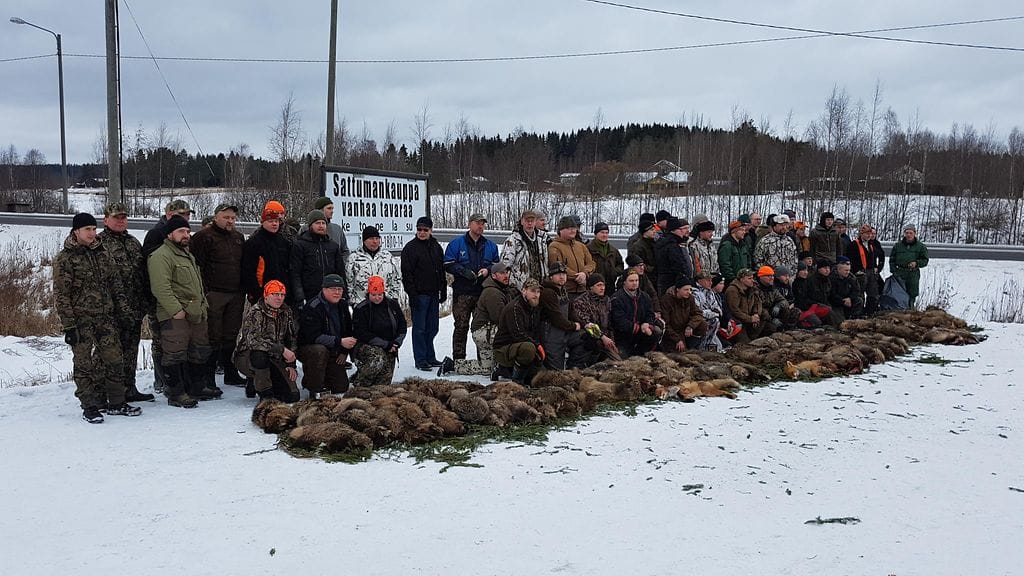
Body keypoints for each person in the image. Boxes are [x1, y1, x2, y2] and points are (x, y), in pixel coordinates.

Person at [54, 213, 140, 423]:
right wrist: (69, 326)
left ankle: (117, 402)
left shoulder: (103, 253)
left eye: (93, 229)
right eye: (87, 230)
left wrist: (124, 312)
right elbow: (61, 295)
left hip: (106, 318)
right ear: (76, 231)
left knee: (114, 359)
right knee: (84, 365)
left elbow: (115, 286)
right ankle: (90, 406)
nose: (92, 234)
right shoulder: (65, 259)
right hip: (81, 321)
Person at [148, 215, 221, 408]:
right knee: (174, 354)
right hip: (175, 316)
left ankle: (196, 387)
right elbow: (160, 287)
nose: (186, 235)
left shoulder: (186, 254)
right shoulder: (161, 256)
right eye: (181, 231)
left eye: (188, 231)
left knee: (198, 352)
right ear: (170, 234)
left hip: (196, 314)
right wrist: (176, 310)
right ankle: (176, 393)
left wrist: (202, 305)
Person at [98, 202, 154, 403]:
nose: (121, 220)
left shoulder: (132, 242)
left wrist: (146, 301)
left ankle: (129, 388)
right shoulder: (99, 243)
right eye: (116, 217)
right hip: (111, 310)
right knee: (111, 353)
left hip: (134, 308)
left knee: (131, 350)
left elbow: (142, 273)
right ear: (106, 220)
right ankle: (109, 393)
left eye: (123, 217)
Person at [190, 202, 246, 388]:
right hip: (214, 293)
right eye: (226, 217)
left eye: (233, 218)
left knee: (231, 335)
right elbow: (197, 266)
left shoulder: (238, 237)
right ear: (216, 217)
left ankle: (231, 373)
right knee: (212, 336)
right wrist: (205, 292)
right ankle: (209, 378)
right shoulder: (203, 237)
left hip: (236, 293)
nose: (230, 221)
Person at [142, 199, 194, 393]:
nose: (187, 218)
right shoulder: (157, 234)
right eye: (183, 214)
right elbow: (151, 262)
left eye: (188, 215)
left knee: (178, 340)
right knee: (161, 340)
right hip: (160, 298)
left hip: (181, 297)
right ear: (170, 214)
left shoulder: (184, 235)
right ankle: (161, 379)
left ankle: (180, 379)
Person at [444, 213, 499, 362]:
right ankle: (459, 359)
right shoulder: (456, 244)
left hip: (483, 293)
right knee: (461, 326)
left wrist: (487, 270)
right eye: (477, 223)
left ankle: (484, 359)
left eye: (483, 223)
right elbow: (448, 264)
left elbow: (496, 265)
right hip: (462, 292)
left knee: (481, 327)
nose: (480, 226)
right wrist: (463, 271)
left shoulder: (491, 246)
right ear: (469, 224)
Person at [233, 280, 299, 402]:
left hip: (275, 358)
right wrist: (281, 349)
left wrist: (291, 364)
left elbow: (291, 338)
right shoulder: (256, 312)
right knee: (259, 356)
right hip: (248, 356)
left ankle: (259, 382)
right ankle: (265, 394)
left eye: (282, 295)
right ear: (266, 296)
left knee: (292, 396)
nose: (279, 298)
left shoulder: (287, 312)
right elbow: (253, 341)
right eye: (275, 294)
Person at [297, 274, 356, 398]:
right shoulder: (313, 306)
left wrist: (344, 351)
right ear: (324, 289)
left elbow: (348, 331)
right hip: (311, 349)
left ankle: (324, 377)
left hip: (334, 349)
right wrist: (339, 342)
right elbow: (313, 337)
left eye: (340, 289)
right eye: (333, 289)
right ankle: (314, 387)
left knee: (341, 387)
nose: (337, 292)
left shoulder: (343, 305)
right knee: (319, 351)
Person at [401, 216, 446, 371]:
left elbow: (441, 270)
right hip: (419, 294)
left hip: (433, 292)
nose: (421, 232)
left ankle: (430, 356)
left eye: (425, 230)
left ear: (431, 230)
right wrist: (412, 295)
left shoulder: (436, 246)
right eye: (419, 229)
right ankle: (420, 359)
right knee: (419, 328)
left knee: (433, 327)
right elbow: (407, 275)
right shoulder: (410, 248)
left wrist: (444, 289)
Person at [453, 262, 512, 378]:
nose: (506, 276)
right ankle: (504, 365)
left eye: (506, 272)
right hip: (484, 332)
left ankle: (453, 365)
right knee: (511, 333)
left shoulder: (502, 288)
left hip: (488, 330)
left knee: (487, 368)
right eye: (502, 273)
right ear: (494, 276)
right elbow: (500, 319)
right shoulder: (492, 292)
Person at [351, 275, 407, 386]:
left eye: (380, 295)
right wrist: (385, 344)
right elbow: (361, 333)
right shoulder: (361, 309)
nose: (377, 298)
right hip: (365, 345)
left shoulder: (393, 305)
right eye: (374, 295)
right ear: (368, 293)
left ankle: (375, 390)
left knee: (384, 381)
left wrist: (396, 343)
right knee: (378, 359)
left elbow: (402, 326)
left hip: (390, 345)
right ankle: (360, 385)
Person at [492, 278, 545, 385]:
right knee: (529, 348)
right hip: (503, 348)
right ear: (523, 291)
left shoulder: (533, 306)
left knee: (541, 376)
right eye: (532, 291)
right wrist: (537, 346)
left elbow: (534, 331)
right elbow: (518, 334)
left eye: (538, 291)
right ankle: (517, 381)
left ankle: (506, 370)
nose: (536, 295)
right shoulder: (515, 307)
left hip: (519, 346)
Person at [241, 200, 293, 306]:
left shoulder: (284, 242)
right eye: (270, 221)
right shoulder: (253, 242)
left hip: (282, 293)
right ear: (262, 222)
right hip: (262, 293)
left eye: (276, 221)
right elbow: (248, 270)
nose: (274, 224)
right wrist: (255, 292)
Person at [290, 209, 346, 305]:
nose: (321, 226)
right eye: (317, 223)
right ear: (310, 225)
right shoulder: (300, 245)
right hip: (309, 296)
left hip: (331, 296)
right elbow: (295, 274)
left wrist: (344, 295)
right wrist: (300, 297)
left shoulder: (333, 246)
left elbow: (340, 272)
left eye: (323, 223)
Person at [567, 273, 619, 368]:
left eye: (603, 285)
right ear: (591, 287)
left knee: (619, 363)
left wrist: (611, 340)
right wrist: (602, 337)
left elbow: (609, 324)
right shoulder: (580, 302)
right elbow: (587, 324)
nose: (602, 288)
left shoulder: (606, 301)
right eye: (599, 285)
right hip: (589, 339)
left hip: (605, 339)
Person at [610, 268, 662, 357]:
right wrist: (638, 328)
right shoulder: (617, 298)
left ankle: (643, 353)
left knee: (656, 331)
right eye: (631, 281)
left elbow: (650, 314)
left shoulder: (645, 297)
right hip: (623, 337)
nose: (634, 283)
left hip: (642, 333)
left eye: (636, 280)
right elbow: (619, 321)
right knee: (622, 358)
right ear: (624, 282)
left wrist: (647, 324)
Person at [539, 262, 581, 370]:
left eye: (564, 274)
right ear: (551, 276)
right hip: (551, 335)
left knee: (586, 338)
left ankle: (574, 368)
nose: (561, 276)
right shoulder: (547, 292)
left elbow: (571, 312)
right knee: (555, 372)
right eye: (558, 274)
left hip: (564, 331)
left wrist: (583, 324)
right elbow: (556, 318)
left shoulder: (563, 290)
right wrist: (573, 326)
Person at [346, 226, 402, 306]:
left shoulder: (388, 257)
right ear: (364, 241)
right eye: (371, 238)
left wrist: (393, 298)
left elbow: (396, 278)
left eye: (377, 238)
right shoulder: (354, 258)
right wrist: (353, 301)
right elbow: (349, 281)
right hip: (362, 303)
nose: (375, 241)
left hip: (385, 303)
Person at [548, 215, 596, 297]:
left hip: (583, 291)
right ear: (561, 230)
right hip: (565, 291)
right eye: (569, 228)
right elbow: (557, 266)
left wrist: (584, 273)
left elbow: (591, 263)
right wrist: (577, 277)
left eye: (574, 228)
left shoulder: (581, 246)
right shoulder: (554, 246)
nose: (573, 230)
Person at [500, 209, 549, 290]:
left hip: (540, 286)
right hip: (520, 287)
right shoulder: (513, 240)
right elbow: (505, 266)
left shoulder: (543, 239)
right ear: (522, 222)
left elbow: (546, 262)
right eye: (527, 221)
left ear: (535, 222)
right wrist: (513, 285)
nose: (529, 223)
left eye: (532, 221)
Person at [660, 277, 707, 352]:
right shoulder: (666, 300)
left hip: (684, 329)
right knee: (678, 354)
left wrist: (690, 326)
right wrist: (677, 339)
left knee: (703, 325)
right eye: (686, 290)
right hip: (672, 332)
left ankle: (692, 346)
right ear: (678, 289)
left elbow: (698, 314)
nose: (689, 292)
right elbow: (665, 324)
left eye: (690, 289)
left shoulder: (690, 298)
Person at [848, 224, 885, 314]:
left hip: (871, 271)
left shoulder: (871, 245)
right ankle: (858, 313)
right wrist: (856, 271)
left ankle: (869, 312)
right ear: (861, 234)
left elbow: (877, 257)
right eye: (866, 234)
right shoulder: (854, 244)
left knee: (873, 293)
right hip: (860, 273)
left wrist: (875, 268)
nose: (869, 235)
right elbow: (851, 259)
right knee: (860, 294)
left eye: (870, 234)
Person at [890, 224, 929, 309]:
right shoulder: (898, 246)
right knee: (899, 293)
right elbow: (892, 259)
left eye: (911, 233)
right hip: (900, 273)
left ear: (915, 233)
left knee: (912, 294)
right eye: (907, 233)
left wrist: (916, 263)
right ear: (904, 234)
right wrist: (894, 271)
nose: (908, 235)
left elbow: (925, 260)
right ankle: (899, 312)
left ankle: (910, 311)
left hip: (913, 274)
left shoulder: (921, 246)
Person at [723, 268, 766, 344]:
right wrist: (750, 319)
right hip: (737, 321)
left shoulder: (752, 288)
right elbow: (734, 310)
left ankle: (752, 338)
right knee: (745, 343)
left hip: (748, 318)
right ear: (741, 279)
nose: (752, 280)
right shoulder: (732, 290)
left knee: (766, 319)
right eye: (749, 278)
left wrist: (756, 314)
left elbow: (758, 303)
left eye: (752, 278)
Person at [654, 217, 694, 295]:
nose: (684, 232)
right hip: (672, 283)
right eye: (681, 229)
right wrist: (684, 278)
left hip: (664, 281)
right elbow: (678, 265)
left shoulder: (664, 242)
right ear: (674, 230)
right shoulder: (672, 246)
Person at [755, 266, 799, 331]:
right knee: (772, 328)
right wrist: (771, 319)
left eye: (772, 276)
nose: (771, 278)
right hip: (762, 318)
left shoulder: (772, 289)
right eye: (768, 276)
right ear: (761, 277)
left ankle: (787, 329)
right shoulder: (755, 290)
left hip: (773, 314)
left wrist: (778, 306)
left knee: (792, 311)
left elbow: (784, 300)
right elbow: (760, 309)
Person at [803, 259, 842, 326]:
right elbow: (807, 297)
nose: (827, 270)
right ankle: (839, 326)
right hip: (813, 306)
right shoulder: (811, 281)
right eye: (825, 268)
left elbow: (830, 296)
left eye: (828, 268)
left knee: (838, 309)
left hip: (824, 304)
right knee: (829, 310)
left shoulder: (828, 281)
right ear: (819, 269)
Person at [692, 271, 724, 351]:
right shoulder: (694, 293)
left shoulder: (710, 292)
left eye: (711, 280)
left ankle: (709, 347)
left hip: (711, 324)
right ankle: (702, 348)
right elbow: (700, 312)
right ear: (699, 281)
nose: (711, 282)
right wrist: (714, 313)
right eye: (708, 280)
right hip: (697, 322)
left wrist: (714, 313)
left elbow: (717, 308)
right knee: (714, 320)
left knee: (719, 347)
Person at [313, 196, 350, 264]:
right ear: (320, 210)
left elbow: (345, 251)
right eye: (329, 208)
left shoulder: (337, 229)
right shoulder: (306, 229)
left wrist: (340, 264)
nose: (332, 211)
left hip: (334, 272)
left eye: (332, 208)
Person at [588, 222, 624, 290]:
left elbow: (620, 265)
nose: (604, 235)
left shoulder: (613, 250)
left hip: (610, 286)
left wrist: (614, 272)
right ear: (595, 234)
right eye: (602, 232)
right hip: (594, 286)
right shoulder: (588, 249)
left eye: (606, 233)